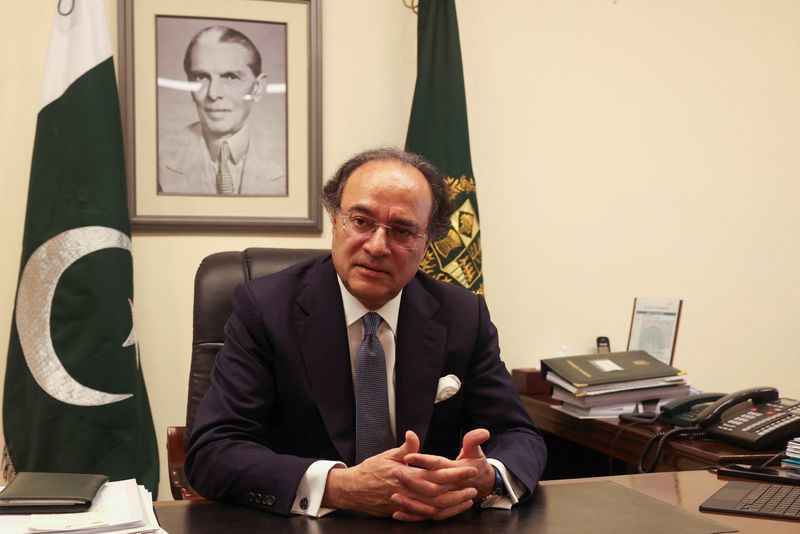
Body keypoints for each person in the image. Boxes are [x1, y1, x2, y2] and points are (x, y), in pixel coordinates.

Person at [185, 148, 547, 521]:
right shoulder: (265, 308)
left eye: (403, 230)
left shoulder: (462, 315)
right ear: (335, 221)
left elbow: (520, 436)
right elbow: (213, 451)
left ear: (426, 244)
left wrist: (484, 478)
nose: (377, 246)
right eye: (361, 221)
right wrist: (342, 487)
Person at [158, 25, 286, 196]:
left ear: (257, 88)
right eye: (201, 77)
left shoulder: (290, 160)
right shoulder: (156, 159)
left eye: (231, 77)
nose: (213, 93)